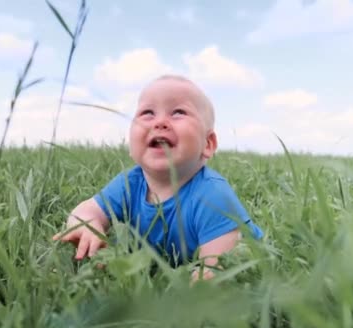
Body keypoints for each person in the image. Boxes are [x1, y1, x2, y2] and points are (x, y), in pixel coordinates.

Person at [52, 74, 264, 280]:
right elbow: (86, 210)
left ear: (207, 144)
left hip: (241, 258)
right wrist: (86, 226)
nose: (160, 122)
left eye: (178, 112)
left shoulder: (213, 195)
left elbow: (216, 271)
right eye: (147, 113)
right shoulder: (130, 183)